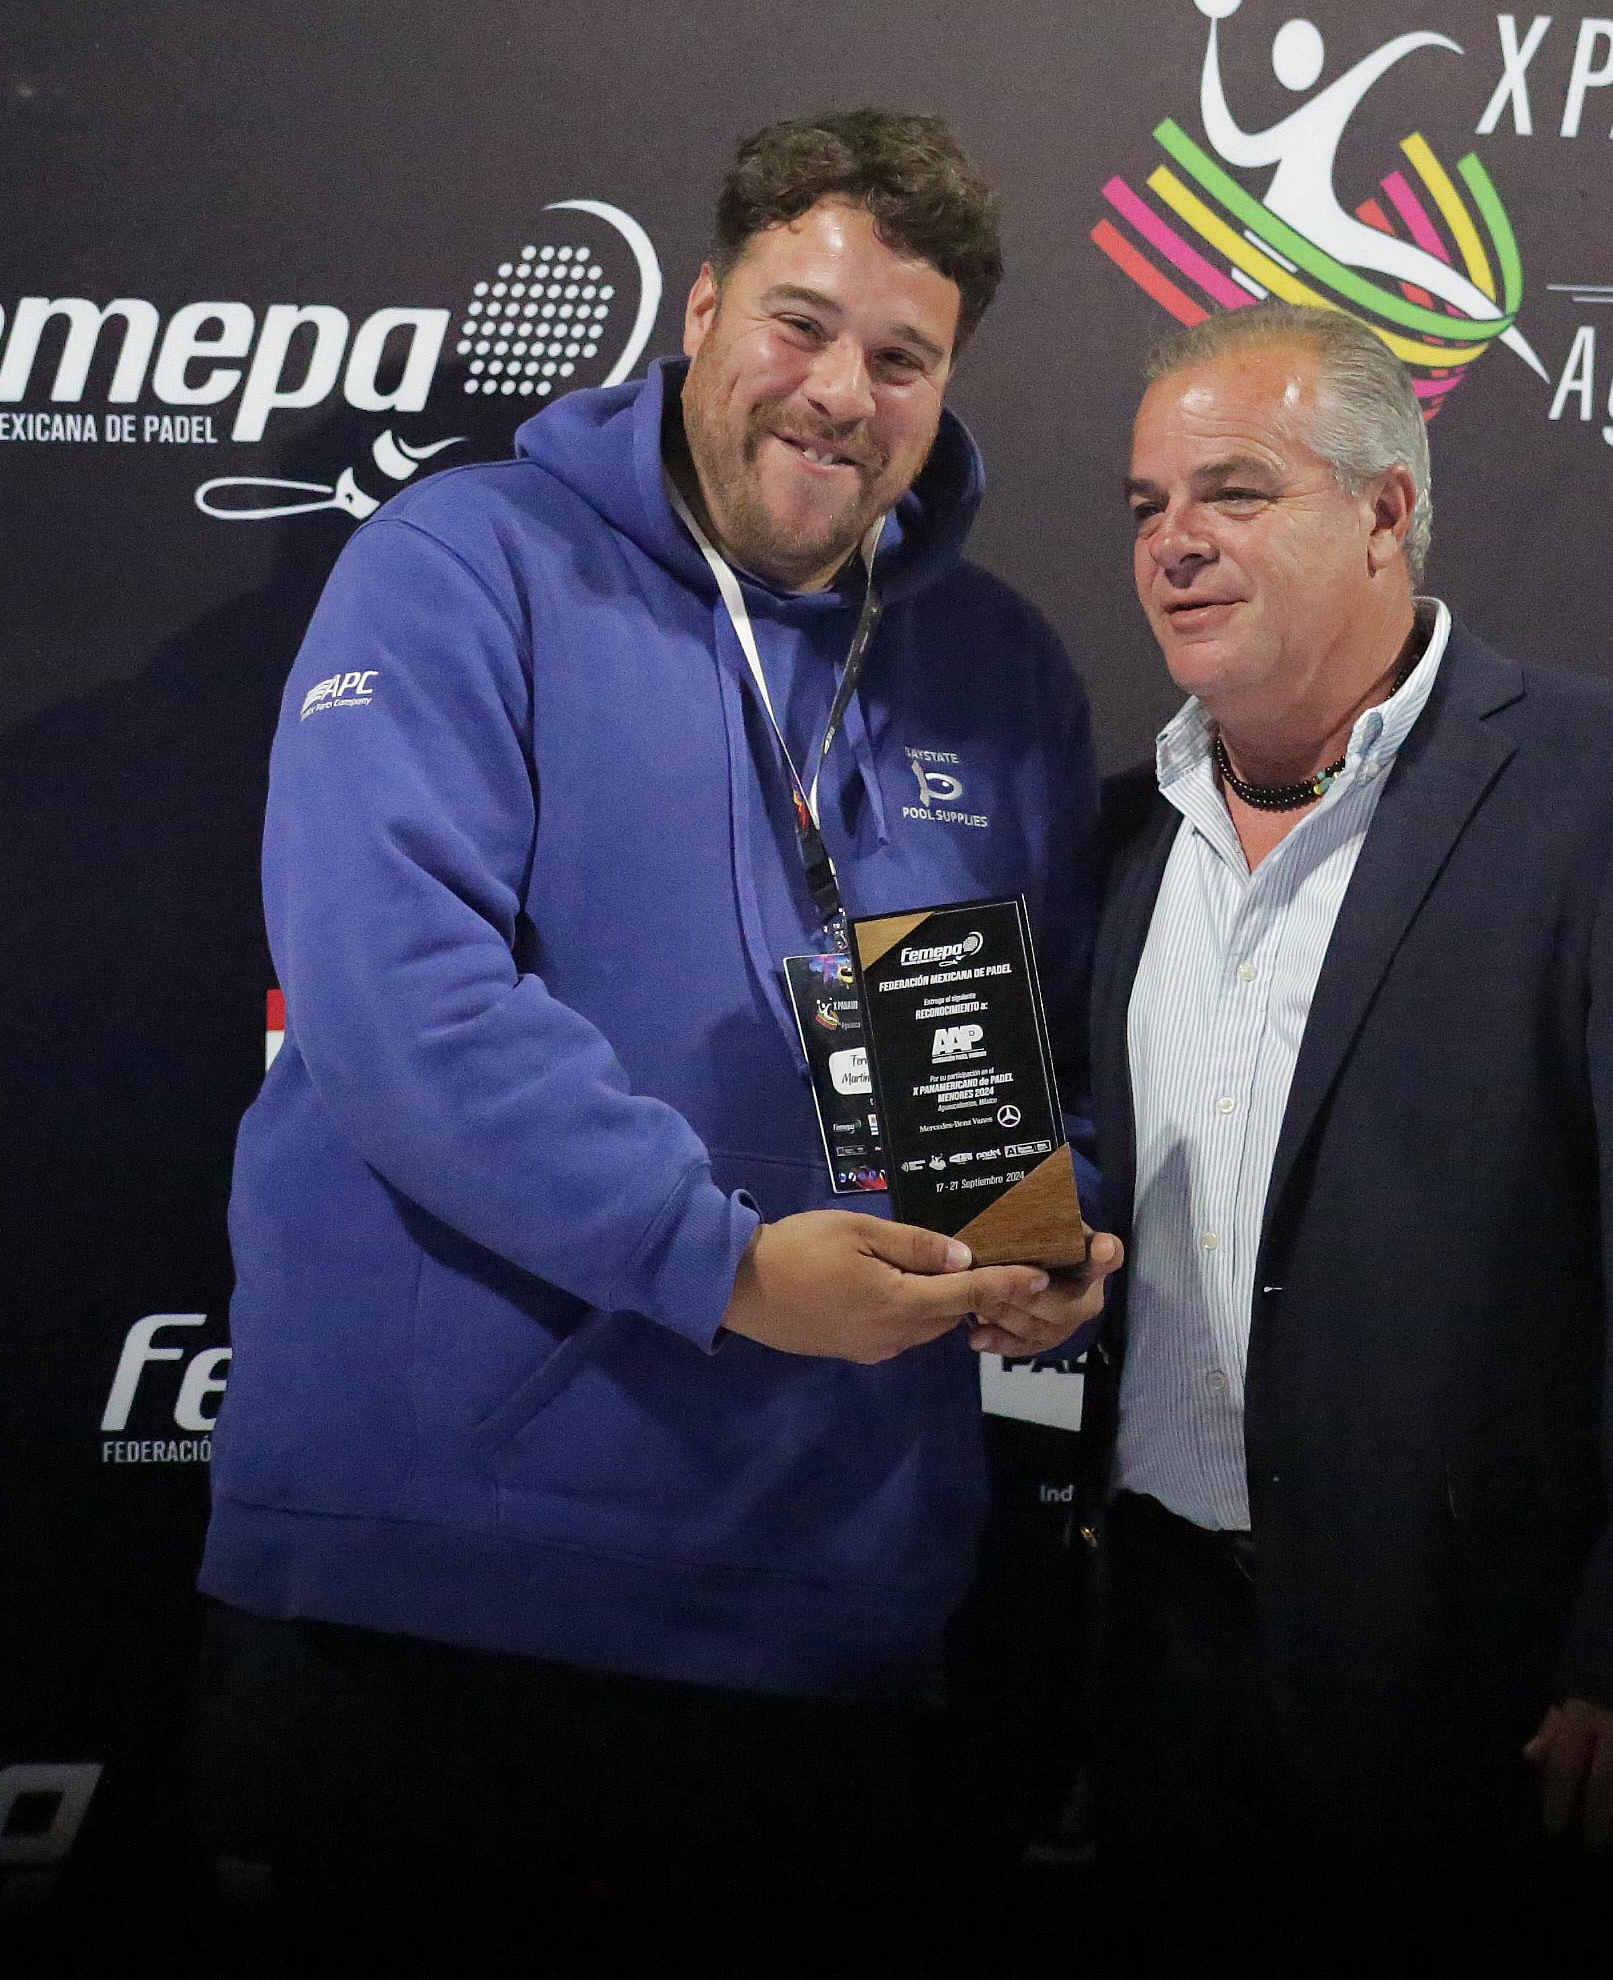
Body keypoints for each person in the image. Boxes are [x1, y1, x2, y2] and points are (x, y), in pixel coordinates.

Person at [197, 109, 1120, 1900]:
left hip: (834, 1609)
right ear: (700, 311)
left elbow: (1037, 1057)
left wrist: (1035, 1244)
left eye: (902, 357)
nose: (840, 392)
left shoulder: (996, 665)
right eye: (799, 322)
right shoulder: (462, 560)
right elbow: (399, 1001)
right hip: (442, 1590)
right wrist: (726, 1264)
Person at [1085, 300, 1613, 1884]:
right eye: (1146, 507)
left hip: (1484, 1681)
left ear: (1384, 511)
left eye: (1234, 492)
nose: (1174, 542)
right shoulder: (1119, 831)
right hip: (1148, 1661)